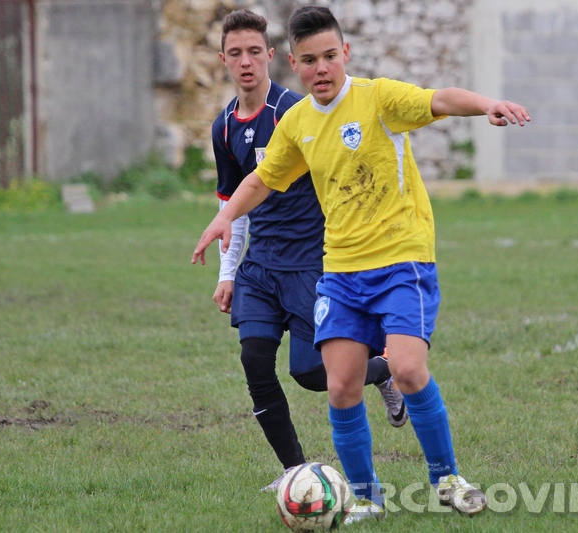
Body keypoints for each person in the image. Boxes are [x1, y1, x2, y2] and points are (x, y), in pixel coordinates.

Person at [193, 5, 530, 520]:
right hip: (341, 271)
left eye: (330, 56)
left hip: (401, 261)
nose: (321, 69)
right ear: (294, 63)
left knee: (410, 368)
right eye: (309, 60)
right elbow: (261, 180)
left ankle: (448, 479)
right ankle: (367, 498)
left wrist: (487, 104)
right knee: (341, 384)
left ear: (345, 53)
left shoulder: (378, 99)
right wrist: (224, 220)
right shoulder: (299, 122)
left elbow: (440, 99)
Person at [207, 9, 407, 494]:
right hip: (259, 266)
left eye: (255, 51)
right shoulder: (224, 127)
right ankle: (296, 472)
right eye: (236, 53)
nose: (246, 62)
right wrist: (227, 273)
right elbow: (232, 208)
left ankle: (380, 370)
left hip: (309, 264)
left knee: (312, 373)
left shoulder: (296, 113)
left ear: (273, 56)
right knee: (254, 359)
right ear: (224, 60)